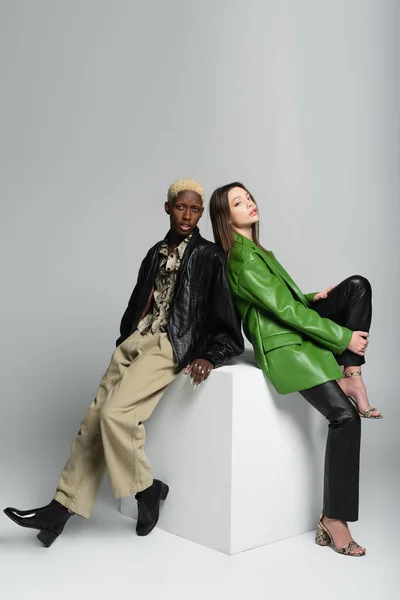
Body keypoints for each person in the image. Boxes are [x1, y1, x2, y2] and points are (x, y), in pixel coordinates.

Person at [4, 179, 244, 547]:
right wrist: (125, 339)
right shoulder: (154, 253)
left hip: (171, 343)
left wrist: (210, 356)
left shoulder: (209, 256)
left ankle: (147, 490)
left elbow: (228, 326)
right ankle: (59, 510)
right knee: (92, 421)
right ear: (168, 208)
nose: (188, 215)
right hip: (137, 339)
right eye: (181, 207)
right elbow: (137, 302)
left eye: (195, 210)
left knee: (117, 414)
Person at [209, 181, 382, 557]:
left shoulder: (256, 249)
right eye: (239, 202)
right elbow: (282, 314)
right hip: (284, 345)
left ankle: (352, 375)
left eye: (249, 197)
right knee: (345, 419)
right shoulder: (240, 257)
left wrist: (311, 297)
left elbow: (283, 302)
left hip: (292, 326)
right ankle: (333, 519)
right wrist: (342, 338)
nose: (250, 204)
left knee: (356, 287)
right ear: (226, 216)